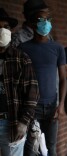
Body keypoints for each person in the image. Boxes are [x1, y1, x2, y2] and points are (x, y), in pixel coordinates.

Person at [19, 5, 67, 156]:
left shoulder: (57, 48)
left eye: (47, 19)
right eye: (41, 20)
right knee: (31, 148)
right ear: (33, 25)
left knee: (51, 147)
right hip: (32, 107)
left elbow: (64, 79)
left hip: (52, 106)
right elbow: (19, 80)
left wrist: (61, 105)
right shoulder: (23, 48)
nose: (45, 23)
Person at [0, 8, 39, 156]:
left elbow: (32, 93)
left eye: (6, 27)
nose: (2, 30)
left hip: (12, 123)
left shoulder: (21, 58)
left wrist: (23, 122)